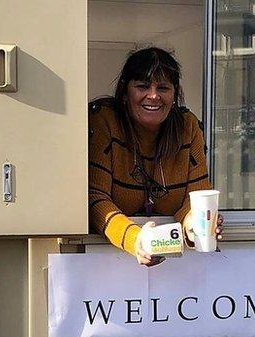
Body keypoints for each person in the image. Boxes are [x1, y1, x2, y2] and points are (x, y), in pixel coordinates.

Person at [88, 47, 223, 266]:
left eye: (163, 88)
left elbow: (197, 198)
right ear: (125, 91)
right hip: (104, 264)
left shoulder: (188, 126)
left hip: (179, 273)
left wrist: (193, 225)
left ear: (175, 94)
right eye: (142, 86)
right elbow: (94, 199)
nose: (153, 95)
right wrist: (135, 239)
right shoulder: (103, 120)